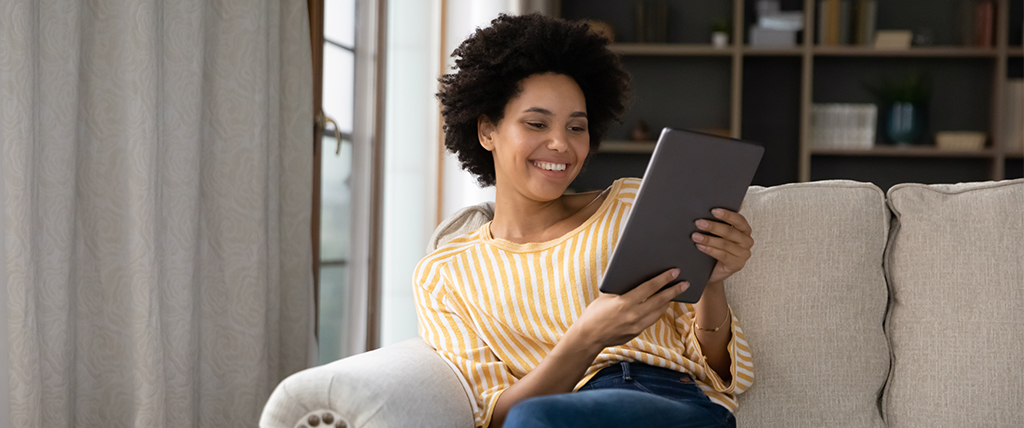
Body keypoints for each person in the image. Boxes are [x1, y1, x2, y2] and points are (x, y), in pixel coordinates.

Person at [416, 13, 754, 428]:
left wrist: (711, 281)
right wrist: (586, 337)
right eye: (536, 123)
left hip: (670, 399)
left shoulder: (634, 203)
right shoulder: (445, 274)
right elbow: (495, 415)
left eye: (576, 127)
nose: (561, 143)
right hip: (553, 414)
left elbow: (717, 373)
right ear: (487, 130)